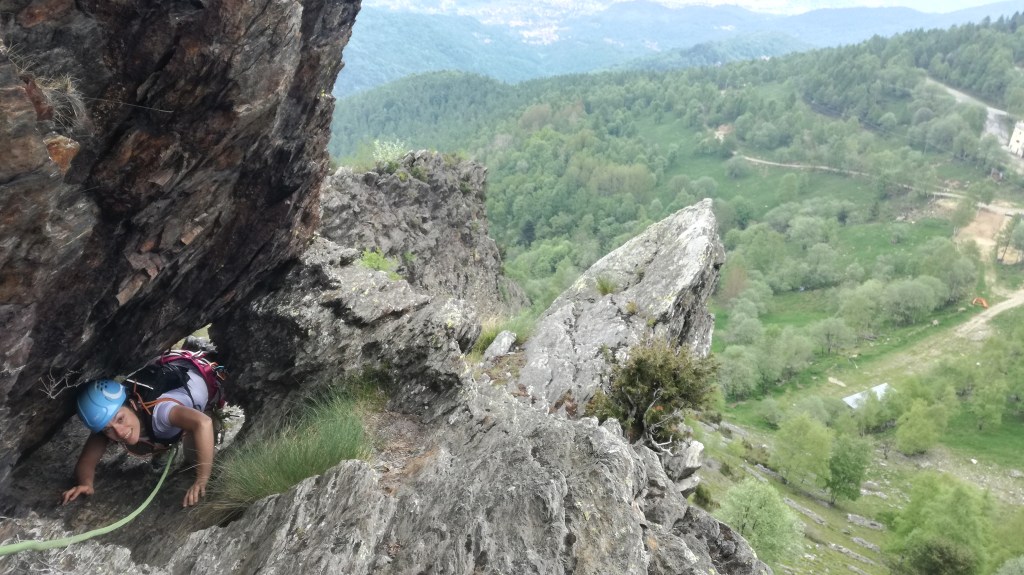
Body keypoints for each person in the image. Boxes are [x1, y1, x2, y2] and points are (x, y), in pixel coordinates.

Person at [61, 359, 215, 508]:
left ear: (133, 404)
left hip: (202, 379)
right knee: (138, 440)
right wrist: (85, 484)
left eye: (120, 419)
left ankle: (210, 418)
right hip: (176, 386)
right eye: (108, 429)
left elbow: (203, 423)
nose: (119, 432)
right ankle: (162, 446)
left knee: (195, 460)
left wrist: (202, 479)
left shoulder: (162, 413)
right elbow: (86, 461)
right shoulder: (108, 422)